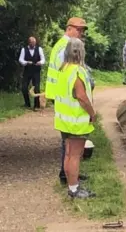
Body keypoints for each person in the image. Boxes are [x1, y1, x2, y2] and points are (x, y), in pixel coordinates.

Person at [45, 17, 90, 186]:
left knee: (68, 140)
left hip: (61, 94)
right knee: (69, 142)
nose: (81, 33)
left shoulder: (63, 44)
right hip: (64, 96)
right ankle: (68, 176)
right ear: (69, 29)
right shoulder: (65, 46)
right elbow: (64, 70)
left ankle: (70, 173)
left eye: (82, 30)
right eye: (78, 29)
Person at [55, 37, 96, 199]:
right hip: (76, 121)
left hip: (64, 120)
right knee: (75, 155)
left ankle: (72, 184)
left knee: (68, 153)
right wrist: (92, 113)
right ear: (80, 53)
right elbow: (81, 97)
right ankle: (74, 189)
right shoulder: (78, 72)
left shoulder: (63, 69)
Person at [19, 36, 45, 109]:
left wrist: (40, 62)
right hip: (27, 71)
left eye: (34, 43)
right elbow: (20, 60)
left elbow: (43, 59)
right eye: (32, 43)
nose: (34, 44)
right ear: (29, 43)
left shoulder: (39, 49)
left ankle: (36, 105)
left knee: (36, 88)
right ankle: (27, 104)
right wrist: (26, 62)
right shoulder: (24, 49)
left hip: (36, 71)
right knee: (24, 88)